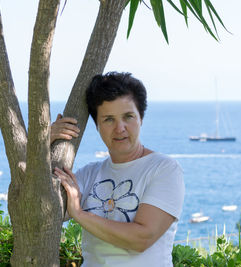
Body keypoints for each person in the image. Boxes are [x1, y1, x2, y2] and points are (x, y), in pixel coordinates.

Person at [52, 72, 185, 267]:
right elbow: (42, 210)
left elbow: (142, 238)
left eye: (128, 116)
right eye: (108, 119)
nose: (120, 128)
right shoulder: (90, 174)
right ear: (97, 126)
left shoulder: (163, 169)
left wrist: (79, 213)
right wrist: (45, 140)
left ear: (141, 119)